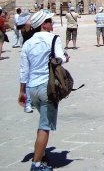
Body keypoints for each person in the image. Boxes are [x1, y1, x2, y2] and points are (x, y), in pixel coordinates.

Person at [19, 10, 69, 171]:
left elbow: (23, 71)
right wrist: (65, 57)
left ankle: (41, 154)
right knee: (44, 127)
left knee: (42, 122)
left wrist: (22, 92)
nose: (52, 24)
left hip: (32, 89)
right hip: (47, 87)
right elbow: (60, 58)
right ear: (43, 24)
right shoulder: (53, 39)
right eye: (50, 21)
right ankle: (37, 164)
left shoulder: (27, 43)